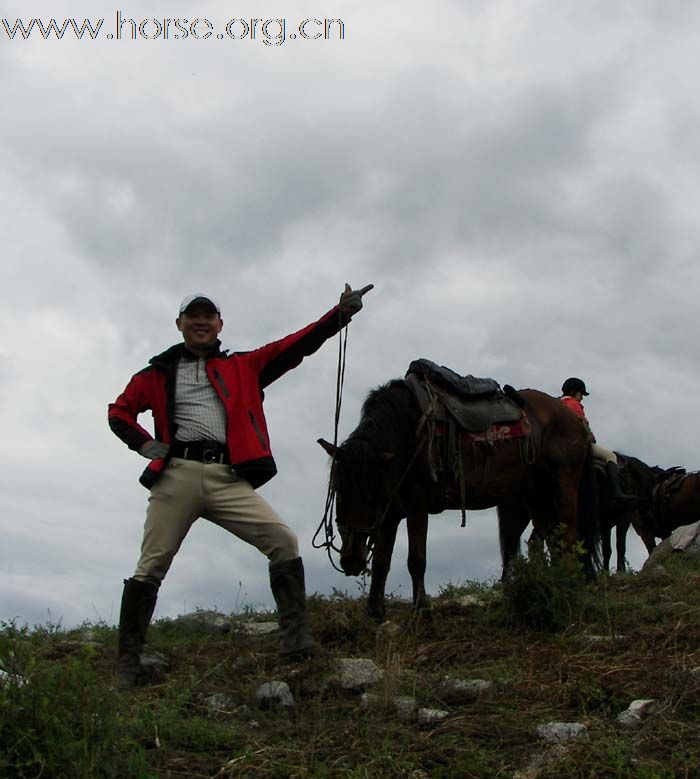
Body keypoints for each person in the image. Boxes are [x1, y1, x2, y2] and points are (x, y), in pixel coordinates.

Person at [108, 283, 373, 690]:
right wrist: (143, 443)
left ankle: (296, 644)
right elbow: (119, 411)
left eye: (208, 316)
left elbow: (293, 347)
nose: (200, 322)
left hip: (227, 477)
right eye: (193, 317)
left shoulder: (243, 366)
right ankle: (127, 664)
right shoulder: (155, 373)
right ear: (179, 324)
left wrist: (339, 314)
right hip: (177, 474)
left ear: (219, 324)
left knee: (283, 540)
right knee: (151, 566)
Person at [559, 377, 636, 506]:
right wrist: (590, 436)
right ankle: (616, 492)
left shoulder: (557, 403)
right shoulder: (573, 404)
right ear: (573, 391)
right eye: (581, 394)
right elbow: (581, 424)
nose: (582, 397)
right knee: (610, 456)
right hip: (576, 444)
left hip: (560, 444)